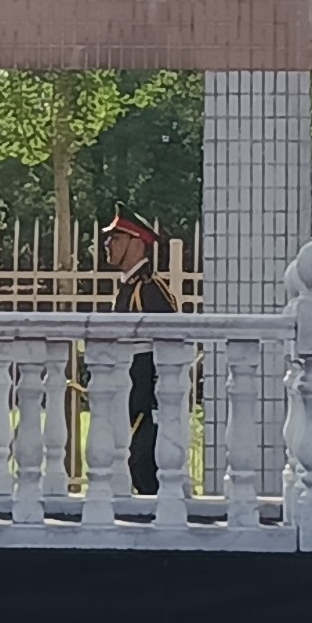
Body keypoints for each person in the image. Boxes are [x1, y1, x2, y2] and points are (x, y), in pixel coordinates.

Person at [103, 212, 178, 495]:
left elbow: (171, 342)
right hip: (126, 387)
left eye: (116, 238)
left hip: (144, 392)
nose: (108, 244)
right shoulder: (128, 287)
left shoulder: (150, 289)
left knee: (144, 464)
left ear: (136, 244)